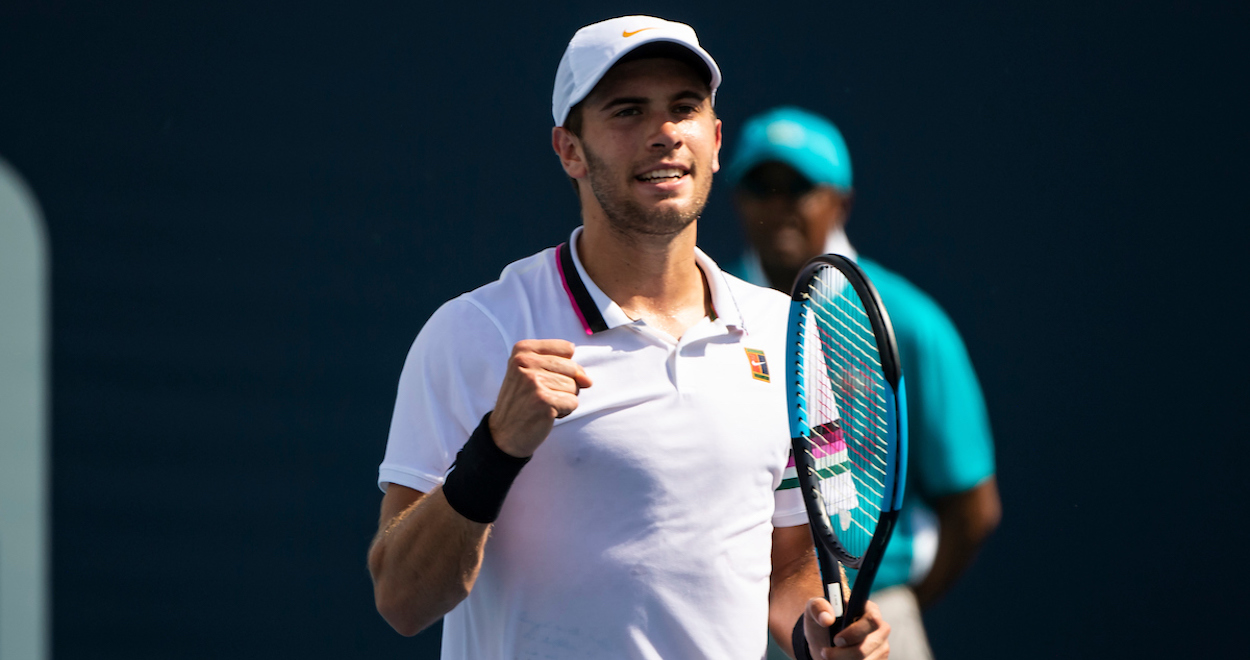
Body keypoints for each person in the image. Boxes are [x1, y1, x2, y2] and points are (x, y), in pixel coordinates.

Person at [367, 17, 891, 660]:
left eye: (684, 109)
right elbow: (402, 599)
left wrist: (815, 636)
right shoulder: (474, 333)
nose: (665, 133)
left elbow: (788, 567)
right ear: (570, 150)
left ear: (716, 140)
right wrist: (495, 451)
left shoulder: (789, 334)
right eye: (627, 111)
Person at [724, 107, 1001, 660]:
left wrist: (892, 605)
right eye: (762, 187)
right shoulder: (712, 316)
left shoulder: (910, 322)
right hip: (740, 621)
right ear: (737, 199)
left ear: (840, 201)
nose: (778, 206)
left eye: (797, 188)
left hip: (871, 615)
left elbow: (973, 508)